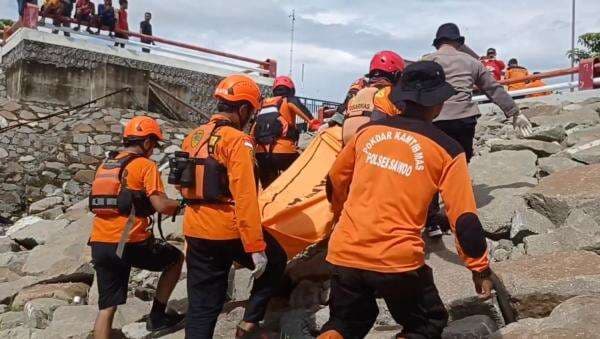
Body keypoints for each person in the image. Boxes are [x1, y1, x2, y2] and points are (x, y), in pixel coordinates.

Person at [319, 61, 493, 339]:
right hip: (397, 260)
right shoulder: (448, 149)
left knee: (345, 323)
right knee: (426, 324)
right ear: (437, 103)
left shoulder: (367, 133)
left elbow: (335, 181)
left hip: (345, 251)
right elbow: (464, 218)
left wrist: (341, 217)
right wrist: (479, 267)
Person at [178, 74, 287, 338]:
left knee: (202, 307)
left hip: (194, 229)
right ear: (242, 109)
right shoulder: (238, 141)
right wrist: (255, 246)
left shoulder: (193, 137)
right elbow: (246, 197)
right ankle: (249, 323)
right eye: (250, 112)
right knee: (276, 260)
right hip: (226, 231)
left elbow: (182, 184)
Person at [422, 23, 532, 238]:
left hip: (435, 121)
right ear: (459, 42)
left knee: (431, 170)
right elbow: (493, 89)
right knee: (458, 167)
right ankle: (460, 216)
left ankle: (432, 222)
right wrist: (514, 113)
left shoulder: (427, 61)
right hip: (464, 120)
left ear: (437, 43)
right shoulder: (472, 62)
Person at [88, 116, 185, 339]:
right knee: (175, 259)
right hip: (126, 243)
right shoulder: (145, 166)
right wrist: (181, 205)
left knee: (107, 307)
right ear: (148, 142)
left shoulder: (106, 165)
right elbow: (161, 205)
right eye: (154, 144)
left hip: (99, 242)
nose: (153, 150)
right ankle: (158, 317)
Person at [253, 75, 320, 188]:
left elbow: (254, 129)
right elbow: (311, 121)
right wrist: (317, 126)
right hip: (284, 152)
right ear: (291, 90)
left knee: (268, 190)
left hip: (261, 153)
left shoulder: (263, 106)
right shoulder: (290, 100)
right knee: (302, 174)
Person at [342, 51, 405, 144]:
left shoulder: (357, 93)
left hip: (349, 146)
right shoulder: (390, 94)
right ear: (397, 76)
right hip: (374, 147)